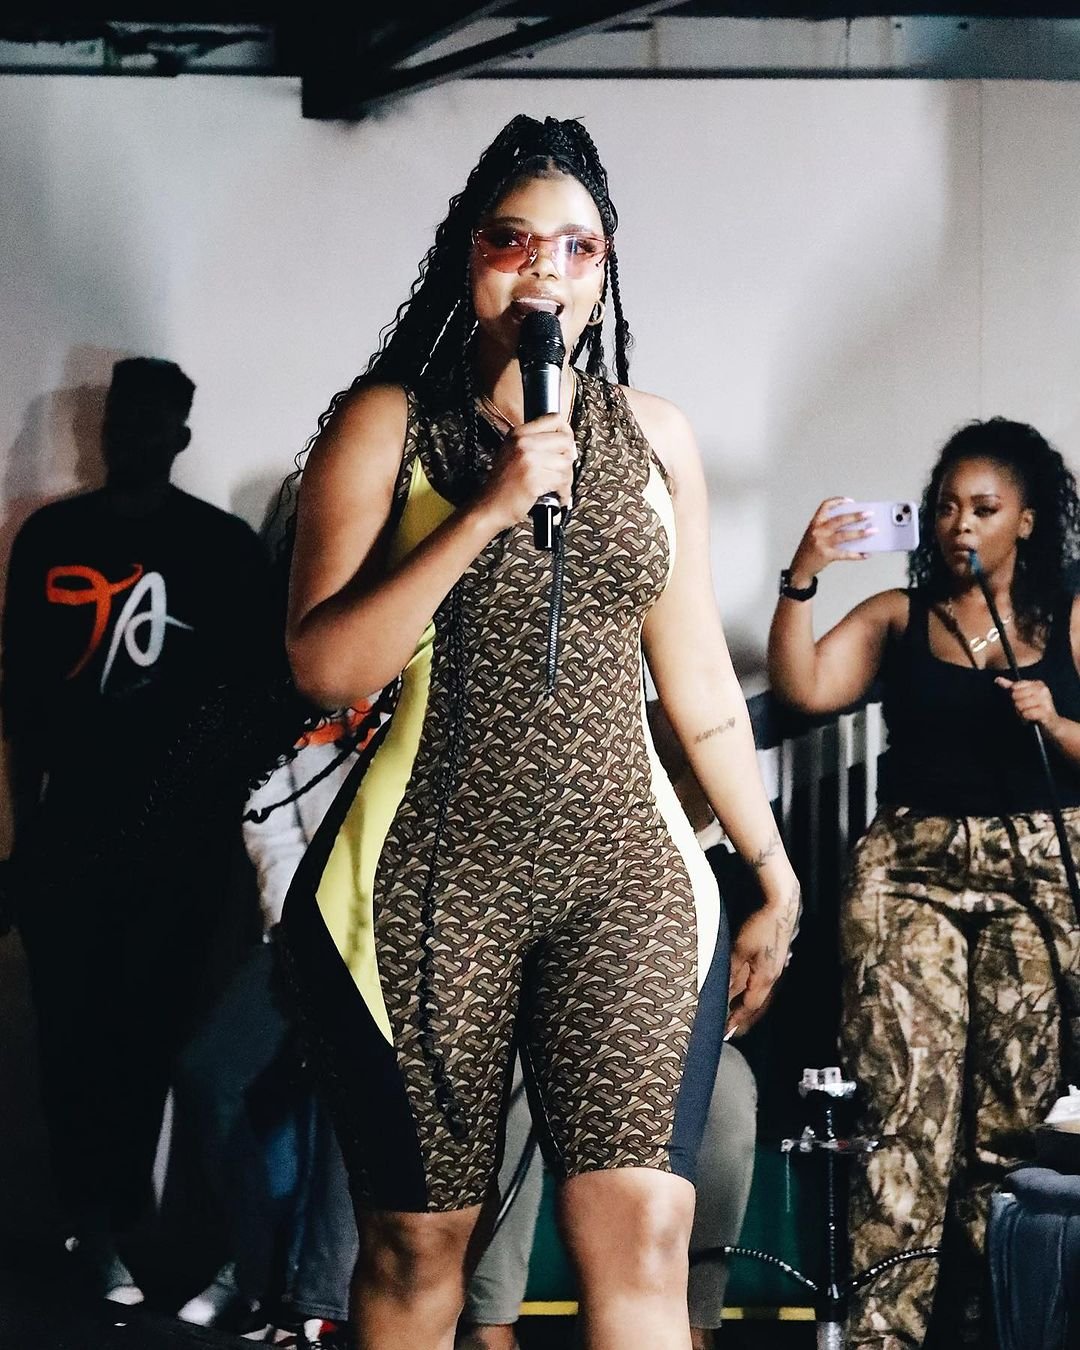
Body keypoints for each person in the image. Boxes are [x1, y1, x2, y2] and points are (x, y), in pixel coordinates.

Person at [279, 115, 800, 1350]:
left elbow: (700, 687)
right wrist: (489, 508)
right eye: (514, 242)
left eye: (576, 247)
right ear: (470, 257)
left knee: (643, 1231)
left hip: (627, 871)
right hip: (432, 870)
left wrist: (771, 867)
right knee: (420, 1248)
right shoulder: (389, 423)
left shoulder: (655, 437)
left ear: (604, 271)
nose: (544, 271)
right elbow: (323, 668)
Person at [766, 418, 1080, 1349]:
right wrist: (802, 576)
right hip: (911, 873)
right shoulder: (900, 615)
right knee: (905, 1112)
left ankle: (986, 1326)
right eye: (946, 507)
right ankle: (884, 1335)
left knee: (1010, 1119)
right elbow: (805, 689)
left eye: (983, 509)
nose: (959, 525)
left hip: (1038, 871)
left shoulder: (1066, 614)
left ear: (1027, 520)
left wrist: (1057, 723)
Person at [0, 357, 271, 1302]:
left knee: (150, 1040)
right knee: (67, 1040)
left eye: (152, 421)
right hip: (69, 837)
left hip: (177, 851)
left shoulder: (223, 549)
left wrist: (225, 849)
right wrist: (23, 839)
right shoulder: (52, 537)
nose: (130, 434)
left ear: (180, 435)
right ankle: (89, 1223)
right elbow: (22, 704)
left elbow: (249, 712)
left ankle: (120, 1222)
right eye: (121, 416)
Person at [174, 712, 368, 1347]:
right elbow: (270, 818)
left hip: (387, 928)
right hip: (301, 922)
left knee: (349, 1095)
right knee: (209, 1072)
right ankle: (257, 1273)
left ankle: (314, 1305)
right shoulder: (296, 690)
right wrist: (295, 926)